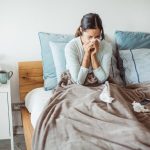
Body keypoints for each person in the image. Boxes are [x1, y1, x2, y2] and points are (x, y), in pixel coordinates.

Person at [65, 13, 112, 85]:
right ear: (81, 30)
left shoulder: (107, 47)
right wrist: (87, 54)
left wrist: (93, 55)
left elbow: (102, 79)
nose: (93, 41)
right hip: (75, 85)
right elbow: (78, 81)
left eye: (97, 36)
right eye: (90, 37)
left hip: (98, 85)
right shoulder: (71, 47)